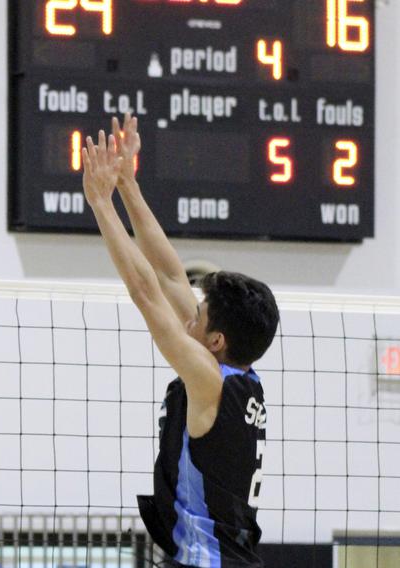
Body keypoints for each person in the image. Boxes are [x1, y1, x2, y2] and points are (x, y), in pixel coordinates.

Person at [80, 114, 280, 568]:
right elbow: (170, 272)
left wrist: (101, 204)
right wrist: (128, 183)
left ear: (216, 340)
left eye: (198, 317)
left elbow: (146, 292)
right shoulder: (238, 375)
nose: (189, 317)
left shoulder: (209, 382)